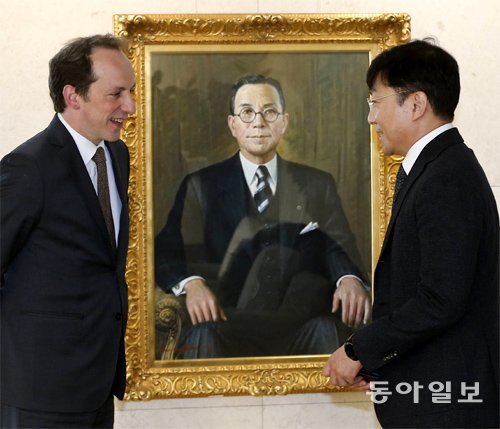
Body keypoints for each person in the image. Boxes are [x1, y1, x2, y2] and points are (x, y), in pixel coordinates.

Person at [322, 39, 499, 428]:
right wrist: (379, 365)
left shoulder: (446, 177)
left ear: (416, 104)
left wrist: (357, 350)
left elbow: (440, 300)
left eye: (375, 102)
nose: (371, 118)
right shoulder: (439, 168)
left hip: (448, 412)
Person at [155, 74, 371, 359]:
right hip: (225, 321)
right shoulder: (200, 185)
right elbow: (166, 251)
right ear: (232, 124)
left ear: (284, 122)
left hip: (298, 323)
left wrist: (348, 278)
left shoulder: (316, 184)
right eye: (247, 112)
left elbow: (338, 245)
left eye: (269, 112)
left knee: (326, 331)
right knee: (202, 336)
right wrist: (192, 283)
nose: (258, 122)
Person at [0, 34, 136, 428]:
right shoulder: (28, 168)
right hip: (39, 392)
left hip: (98, 384)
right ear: (73, 96)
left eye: (131, 92)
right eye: (116, 94)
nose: (130, 106)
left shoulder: (117, 154)